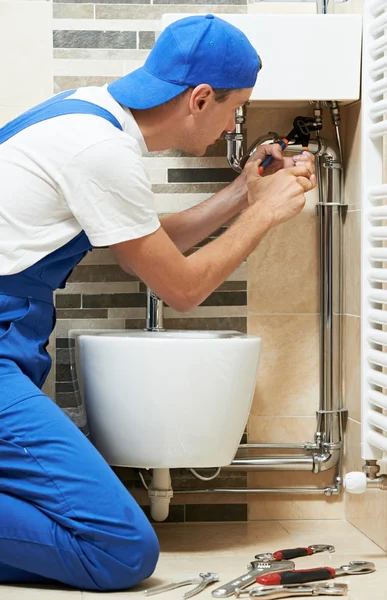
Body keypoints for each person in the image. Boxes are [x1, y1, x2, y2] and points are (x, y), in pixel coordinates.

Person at [0, 14, 316, 592]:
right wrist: (265, 213)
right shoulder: (98, 147)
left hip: (9, 342)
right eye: (233, 110)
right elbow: (183, 288)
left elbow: (144, 245)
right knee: (120, 551)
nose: (230, 128)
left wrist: (243, 191)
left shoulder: (87, 114)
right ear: (200, 98)